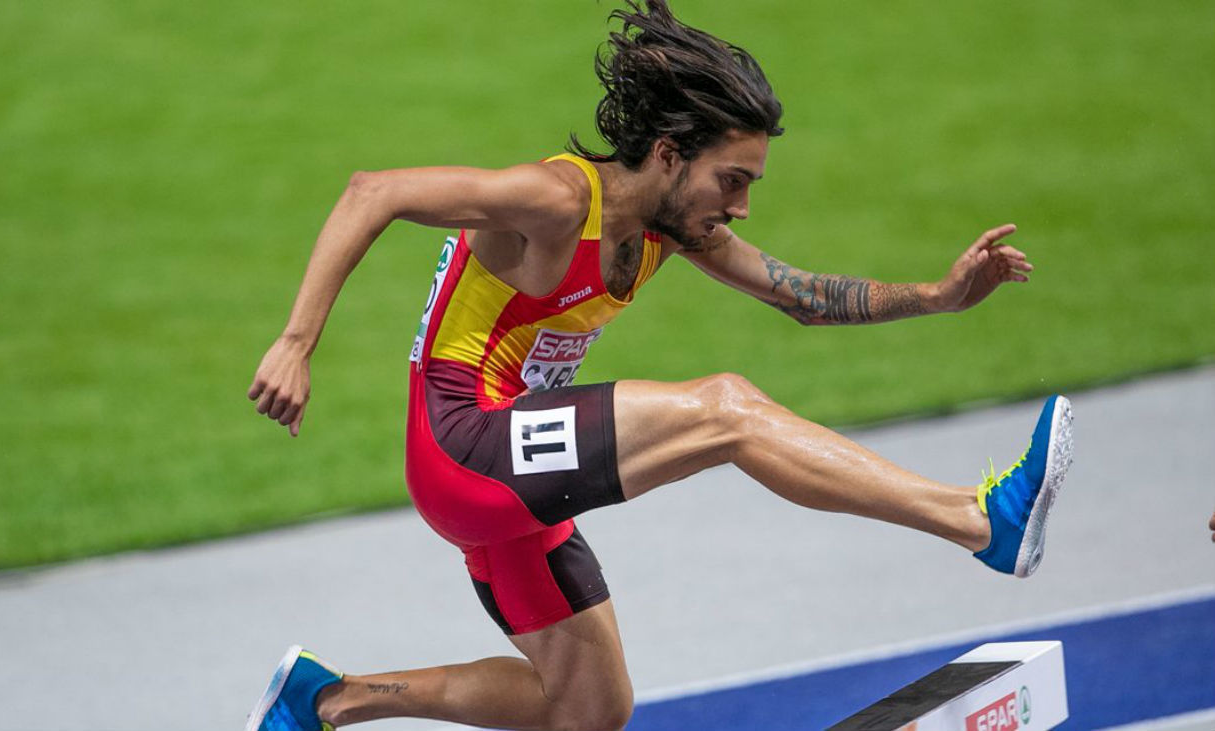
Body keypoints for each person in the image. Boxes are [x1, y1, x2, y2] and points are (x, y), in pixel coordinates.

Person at [243, 2, 1074, 729]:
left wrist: (938, 294)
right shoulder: (558, 200)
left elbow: (803, 294)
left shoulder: (674, 230)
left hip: (512, 477)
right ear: (671, 155)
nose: (741, 206)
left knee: (590, 708)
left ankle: (327, 701)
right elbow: (373, 190)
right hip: (464, 442)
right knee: (727, 409)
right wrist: (295, 341)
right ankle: (978, 520)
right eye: (733, 179)